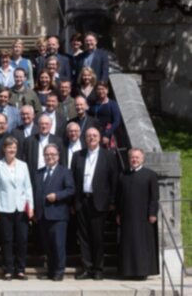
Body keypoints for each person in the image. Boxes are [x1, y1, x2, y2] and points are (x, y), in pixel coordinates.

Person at [71, 127, 118, 280]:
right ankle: (86, 268)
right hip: (81, 200)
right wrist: (73, 202)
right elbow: (73, 180)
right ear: (85, 138)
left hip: (99, 202)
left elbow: (114, 179)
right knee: (83, 237)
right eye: (89, 136)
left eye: (94, 135)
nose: (91, 138)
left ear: (99, 138)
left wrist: (112, 201)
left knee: (97, 237)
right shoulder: (78, 156)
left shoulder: (108, 155)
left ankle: (98, 269)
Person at [0, 137, 34, 280]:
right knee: (7, 240)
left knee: (22, 239)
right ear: (4, 149)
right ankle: (8, 269)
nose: (12, 150)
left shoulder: (23, 165)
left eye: (14, 147)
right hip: (4, 208)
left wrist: (31, 207)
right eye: (9, 147)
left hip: (21, 208)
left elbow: (28, 187)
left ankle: (20, 269)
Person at [116, 148, 159, 280]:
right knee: (127, 244)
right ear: (128, 159)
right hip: (127, 216)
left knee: (142, 244)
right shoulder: (123, 175)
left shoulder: (150, 175)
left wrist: (152, 213)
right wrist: (118, 213)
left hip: (143, 217)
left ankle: (142, 271)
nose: (134, 160)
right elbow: (119, 197)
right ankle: (128, 271)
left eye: (137, 157)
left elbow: (154, 196)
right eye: (132, 157)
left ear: (142, 159)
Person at [34, 144, 75, 281]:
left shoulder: (65, 171)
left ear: (58, 156)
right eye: (47, 154)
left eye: (52, 154)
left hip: (58, 215)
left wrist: (57, 196)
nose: (50, 157)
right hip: (42, 215)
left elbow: (71, 190)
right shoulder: (38, 173)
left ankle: (59, 271)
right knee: (48, 246)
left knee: (58, 245)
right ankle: (50, 270)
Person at [88, 82, 121, 149]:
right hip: (95, 133)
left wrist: (107, 134)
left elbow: (117, 121)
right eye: (98, 89)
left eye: (103, 89)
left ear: (107, 90)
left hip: (107, 133)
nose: (101, 91)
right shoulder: (93, 103)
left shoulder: (112, 104)